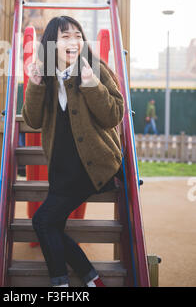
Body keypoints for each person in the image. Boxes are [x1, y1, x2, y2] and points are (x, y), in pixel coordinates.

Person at [21, 16, 125, 288]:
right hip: (62, 170)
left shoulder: (96, 68)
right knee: (48, 223)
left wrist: (92, 83)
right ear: (52, 44)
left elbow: (114, 115)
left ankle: (62, 285)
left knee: (43, 221)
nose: (74, 41)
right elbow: (32, 120)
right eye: (66, 37)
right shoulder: (45, 74)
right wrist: (35, 85)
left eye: (78, 35)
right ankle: (92, 279)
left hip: (94, 165)